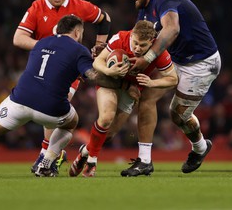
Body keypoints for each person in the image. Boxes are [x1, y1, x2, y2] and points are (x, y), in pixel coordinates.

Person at [0, 15, 119, 178]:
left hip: (20, 99)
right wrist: (117, 77)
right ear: (77, 32)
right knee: (71, 123)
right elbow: (93, 76)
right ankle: (45, 163)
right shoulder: (79, 50)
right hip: (50, 108)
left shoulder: (41, 43)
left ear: (57, 29)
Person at [13, 0, 111, 173]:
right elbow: (18, 38)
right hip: (44, 67)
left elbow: (105, 19)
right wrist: (47, 46)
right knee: (52, 108)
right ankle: (54, 155)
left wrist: (100, 47)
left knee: (56, 104)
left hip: (70, 68)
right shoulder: (36, 7)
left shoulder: (79, 5)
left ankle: (45, 157)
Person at [127, 0, 221, 174]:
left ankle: (200, 147)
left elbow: (172, 29)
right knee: (147, 97)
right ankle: (144, 161)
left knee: (177, 115)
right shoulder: (143, 8)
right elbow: (136, 41)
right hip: (176, 59)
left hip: (201, 62)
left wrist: (148, 58)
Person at [69, 20, 178, 177]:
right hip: (110, 82)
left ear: (151, 43)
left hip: (130, 92)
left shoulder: (158, 52)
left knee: (109, 135)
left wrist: (152, 82)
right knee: (106, 118)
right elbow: (98, 61)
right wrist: (109, 70)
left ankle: (85, 152)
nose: (138, 48)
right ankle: (92, 162)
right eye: (135, 43)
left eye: (143, 45)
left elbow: (173, 78)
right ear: (131, 35)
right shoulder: (120, 38)